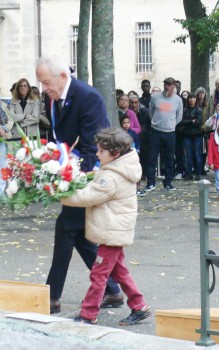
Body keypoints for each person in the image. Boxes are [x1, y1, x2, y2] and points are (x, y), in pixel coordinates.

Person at [36, 55, 122, 314]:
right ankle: (113, 289)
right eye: (41, 83)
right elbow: (57, 138)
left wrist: (69, 177)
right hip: (72, 175)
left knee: (66, 227)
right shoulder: (53, 98)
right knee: (81, 236)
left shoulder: (88, 97)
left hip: (90, 176)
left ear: (63, 77)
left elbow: (92, 146)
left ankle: (51, 297)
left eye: (46, 82)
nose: (44, 89)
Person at [61, 128, 151, 326]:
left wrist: (60, 194)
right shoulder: (120, 168)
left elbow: (88, 196)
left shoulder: (110, 177)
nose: (97, 154)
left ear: (115, 153)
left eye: (101, 151)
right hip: (116, 229)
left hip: (112, 231)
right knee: (119, 272)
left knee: (99, 273)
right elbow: (94, 185)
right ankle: (139, 305)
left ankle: (88, 314)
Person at [145, 77, 183, 191]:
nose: (167, 86)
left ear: (174, 86)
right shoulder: (156, 97)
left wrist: (171, 125)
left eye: (169, 84)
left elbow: (179, 116)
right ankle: (150, 182)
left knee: (169, 158)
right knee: (152, 157)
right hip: (155, 132)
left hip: (170, 133)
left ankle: (168, 182)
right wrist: (156, 123)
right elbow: (151, 111)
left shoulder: (178, 100)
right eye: (165, 84)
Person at [177, 93, 203, 181]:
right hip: (187, 135)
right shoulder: (184, 110)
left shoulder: (199, 110)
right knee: (188, 155)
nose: (191, 100)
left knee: (197, 154)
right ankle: (189, 173)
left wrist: (188, 123)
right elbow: (181, 121)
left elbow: (199, 122)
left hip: (197, 135)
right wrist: (192, 121)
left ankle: (198, 173)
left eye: (193, 98)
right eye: (190, 98)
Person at [119, 115, 145, 196]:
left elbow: (137, 142)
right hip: (124, 156)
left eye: (128, 123)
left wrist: (137, 150)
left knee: (136, 172)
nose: (126, 125)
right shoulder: (119, 134)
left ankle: (137, 189)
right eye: (124, 123)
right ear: (121, 124)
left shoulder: (133, 133)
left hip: (133, 155)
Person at [129, 94, 151, 180]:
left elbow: (149, 124)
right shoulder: (128, 112)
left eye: (136, 102)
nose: (134, 105)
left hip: (144, 137)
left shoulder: (145, 111)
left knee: (144, 156)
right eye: (132, 103)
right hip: (131, 138)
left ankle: (144, 174)